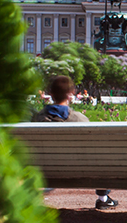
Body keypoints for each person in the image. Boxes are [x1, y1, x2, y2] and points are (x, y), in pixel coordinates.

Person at [32, 75, 118, 209]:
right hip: (78, 170)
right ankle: (103, 198)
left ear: (51, 94)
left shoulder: (37, 119)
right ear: (70, 94)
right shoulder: (79, 119)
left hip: (44, 168)